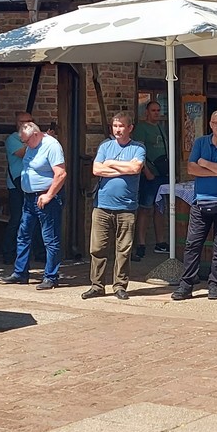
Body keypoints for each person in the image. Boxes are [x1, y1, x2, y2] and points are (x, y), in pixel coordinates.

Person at [172, 109, 217, 301]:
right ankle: (186, 285)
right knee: (192, 244)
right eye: (215, 123)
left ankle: (214, 285)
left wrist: (206, 163)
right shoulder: (200, 142)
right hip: (201, 200)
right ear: (210, 124)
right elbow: (191, 168)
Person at [83, 111, 145, 300]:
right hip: (102, 206)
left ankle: (119, 285)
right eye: (115, 126)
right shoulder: (105, 146)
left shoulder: (138, 148)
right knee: (97, 248)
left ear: (130, 128)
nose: (117, 130)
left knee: (123, 249)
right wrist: (121, 167)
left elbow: (135, 169)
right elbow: (96, 169)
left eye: (121, 126)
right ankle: (97, 285)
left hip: (126, 207)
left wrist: (110, 164)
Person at [0, 120, 67, 289]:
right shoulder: (31, 144)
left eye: (26, 140)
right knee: (23, 234)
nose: (25, 144)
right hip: (29, 198)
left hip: (46, 198)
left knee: (50, 238)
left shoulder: (52, 146)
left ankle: (51, 276)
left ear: (36, 135)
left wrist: (49, 195)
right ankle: (20, 272)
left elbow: (60, 174)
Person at [133, 98, 169, 259]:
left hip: (162, 173)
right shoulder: (142, 128)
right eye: (153, 110)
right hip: (150, 173)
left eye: (158, 110)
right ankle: (140, 243)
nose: (156, 113)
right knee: (145, 208)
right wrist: (146, 171)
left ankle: (160, 242)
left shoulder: (161, 128)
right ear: (147, 112)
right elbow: (139, 151)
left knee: (160, 208)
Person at [2, 111, 33, 264]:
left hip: (29, 184)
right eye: (23, 121)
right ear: (17, 123)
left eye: (30, 121)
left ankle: (32, 254)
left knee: (31, 219)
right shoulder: (12, 139)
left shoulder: (33, 139)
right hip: (15, 184)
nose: (27, 124)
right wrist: (38, 140)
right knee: (16, 219)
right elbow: (23, 153)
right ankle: (8, 254)